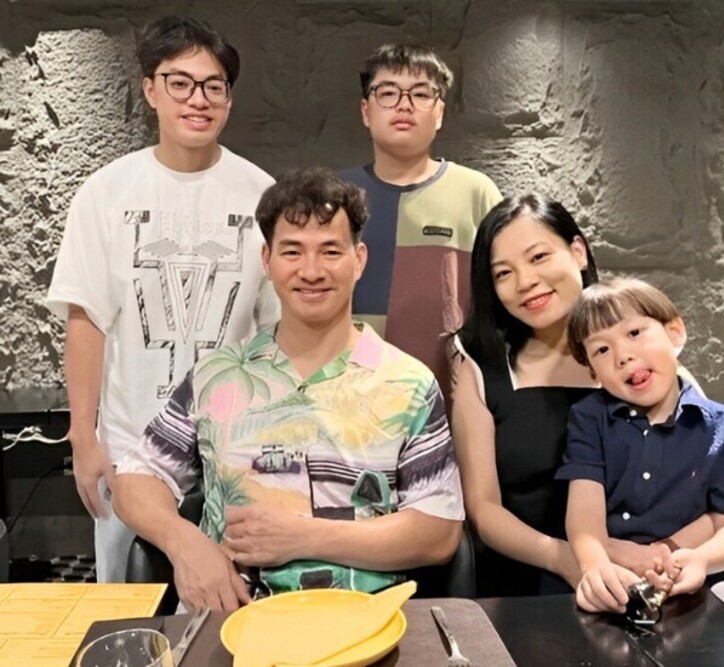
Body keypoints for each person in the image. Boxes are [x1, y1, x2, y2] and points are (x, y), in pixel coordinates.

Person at [113, 167, 464, 612]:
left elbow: (439, 531)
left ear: (359, 259)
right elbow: (136, 479)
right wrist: (184, 542)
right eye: (292, 251)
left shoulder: (408, 384)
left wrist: (301, 537)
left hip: (365, 626)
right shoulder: (218, 376)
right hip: (233, 623)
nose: (311, 271)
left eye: (330, 251)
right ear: (267, 260)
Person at [44, 15, 279, 582]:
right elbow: (87, 319)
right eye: (180, 82)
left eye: (214, 85)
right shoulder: (105, 193)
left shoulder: (263, 194)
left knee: (233, 596)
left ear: (229, 99)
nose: (198, 99)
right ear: (150, 90)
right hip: (130, 447)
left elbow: (277, 330)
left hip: (235, 448)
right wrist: (84, 437)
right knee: (130, 601)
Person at [452, 194, 712, 597]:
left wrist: (660, 556)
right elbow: (484, 510)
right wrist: (569, 560)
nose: (525, 282)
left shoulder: (644, 361)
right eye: (504, 273)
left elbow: (714, 492)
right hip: (527, 587)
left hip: (656, 580)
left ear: (578, 252)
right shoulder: (479, 366)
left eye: (539, 257)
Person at [559, 277, 724, 613]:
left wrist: (701, 559)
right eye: (602, 350)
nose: (623, 356)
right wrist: (595, 567)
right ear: (593, 372)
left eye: (634, 333)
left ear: (674, 333)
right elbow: (584, 513)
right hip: (613, 587)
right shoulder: (588, 418)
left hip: (697, 598)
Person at [340, 43, 502, 394]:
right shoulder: (334, 195)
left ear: (439, 112)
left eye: (421, 94)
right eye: (388, 93)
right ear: (366, 111)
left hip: (450, 392)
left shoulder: (476, 192)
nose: (404, 105)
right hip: (346, 393)